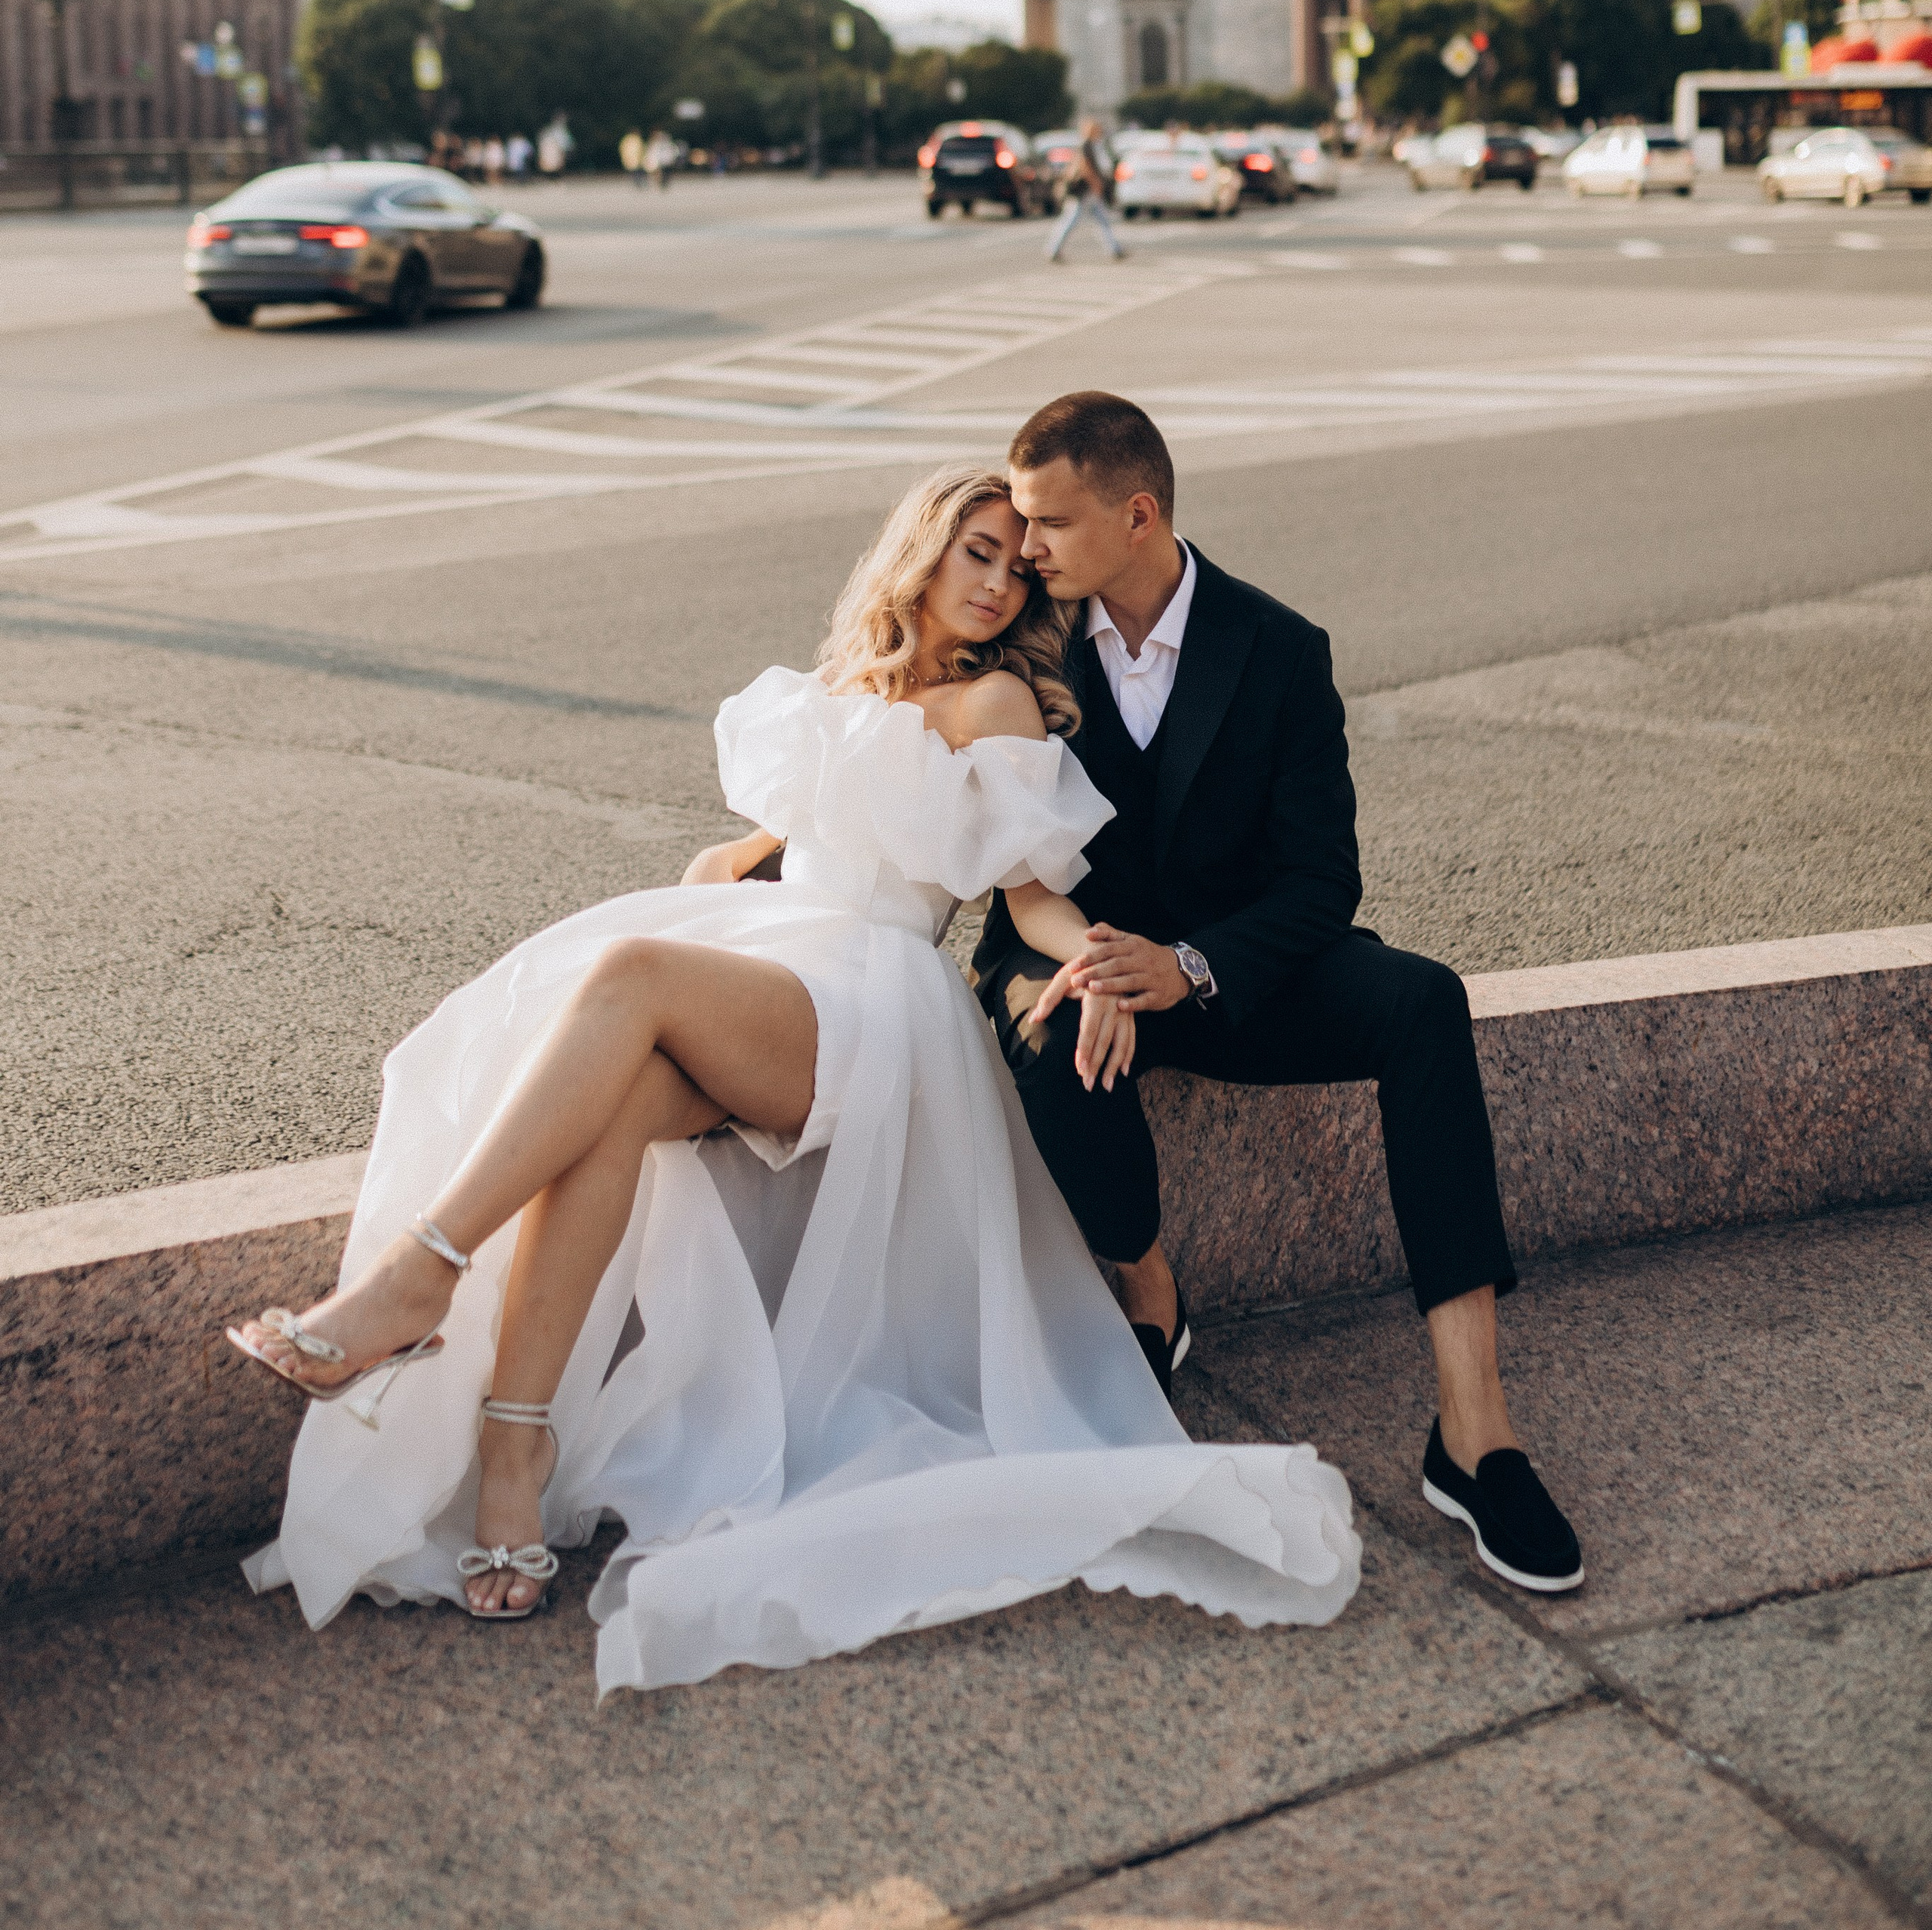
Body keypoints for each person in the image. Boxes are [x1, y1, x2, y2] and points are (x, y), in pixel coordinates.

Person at [225, 466, 1358, 1690]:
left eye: (1017, 570)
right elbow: (802, 833)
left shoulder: (999, 707)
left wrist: (1099, 963)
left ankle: (416, 1280)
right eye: (976, 552)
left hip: (871, 1006)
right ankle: (514, 1454)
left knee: (624, 974)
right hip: (777, 972)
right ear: (920, 550)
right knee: (599, 1123)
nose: (994, 584)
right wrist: (738, 859)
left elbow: (1028, 891)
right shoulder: (841, 688)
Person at [973, 392, 1584, 1597]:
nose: (1026, 546)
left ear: (1137, 515)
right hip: (1063, 942)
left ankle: (1474, 1429)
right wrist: (1099, 961)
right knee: (1048, 1031)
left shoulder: (1280, 648)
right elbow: (919, 743)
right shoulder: (1023, 635)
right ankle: (1151, 1303)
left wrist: (1188, 968)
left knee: (1422, 1001)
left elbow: (1323, 881)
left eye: (1048, 521)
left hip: (1232, 969)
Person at [1045, 118, 1125, 263]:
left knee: (1101, 219)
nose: (1100, 131)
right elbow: (1086, 168)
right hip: (1084, 190)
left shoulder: (1093, 145)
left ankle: (1115, 249)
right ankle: (1053, 249)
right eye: (1097, 128)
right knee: (1071, 219)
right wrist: (1096, 185)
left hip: (1088, 190)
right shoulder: (1086, 145)